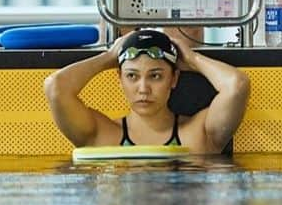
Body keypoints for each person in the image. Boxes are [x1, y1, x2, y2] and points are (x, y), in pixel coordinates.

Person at [43, 28, 250, 154]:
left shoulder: (197, 134)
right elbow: (55, 87)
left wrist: (192, 59)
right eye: (132, 76)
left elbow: (237, 85)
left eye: (156, 76)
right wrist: (108, 57)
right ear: (120, 79)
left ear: (174, 78)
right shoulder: (102, 134)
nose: (143, 89)